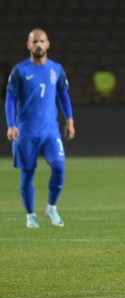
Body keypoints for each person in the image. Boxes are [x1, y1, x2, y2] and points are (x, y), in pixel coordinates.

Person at [5, 28, 75, 228]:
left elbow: (63, 94)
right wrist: (11, 124)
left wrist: (69, 119)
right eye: (34, 41)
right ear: (28, 45)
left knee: (59, 167)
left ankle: (51, 207)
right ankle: (30, 215)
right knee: (27, 173)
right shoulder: (20, 70)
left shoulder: (56, 69)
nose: (38, 44)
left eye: (41, 41)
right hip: (26, 132)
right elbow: (10, 98)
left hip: (50, 131)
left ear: (48, 44)